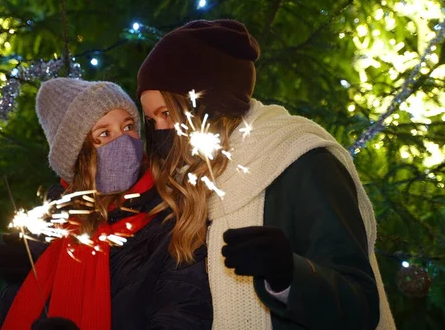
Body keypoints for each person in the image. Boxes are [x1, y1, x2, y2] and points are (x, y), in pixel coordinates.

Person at [137, 19, 396, 330]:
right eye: (152, 120)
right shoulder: (193, 180)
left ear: (206, 105)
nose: (161, 131)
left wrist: (287, 274)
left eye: (166, 114)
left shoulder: (303, 162)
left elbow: (360, 307)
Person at [0, 78, 213, 330]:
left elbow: (182, 315)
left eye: (128, 126)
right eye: (104, 133)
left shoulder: (172, 219)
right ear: (80, 157)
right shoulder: (50, 236)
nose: (124, 140)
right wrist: (21, 274)